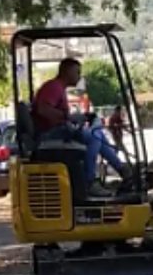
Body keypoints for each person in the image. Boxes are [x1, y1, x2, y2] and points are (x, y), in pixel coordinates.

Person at [31, 58, 133, 197]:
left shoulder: (59, 88)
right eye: (77, 72)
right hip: (50, 135)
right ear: (67, 71)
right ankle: (90, 181)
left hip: (58, 131)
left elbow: (57, 113)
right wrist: (68, 118)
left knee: (98, 135)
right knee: (93, 138)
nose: (79, 76)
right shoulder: (53, 87)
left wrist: (79, 117)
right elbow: (43, 110)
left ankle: (124, 171)